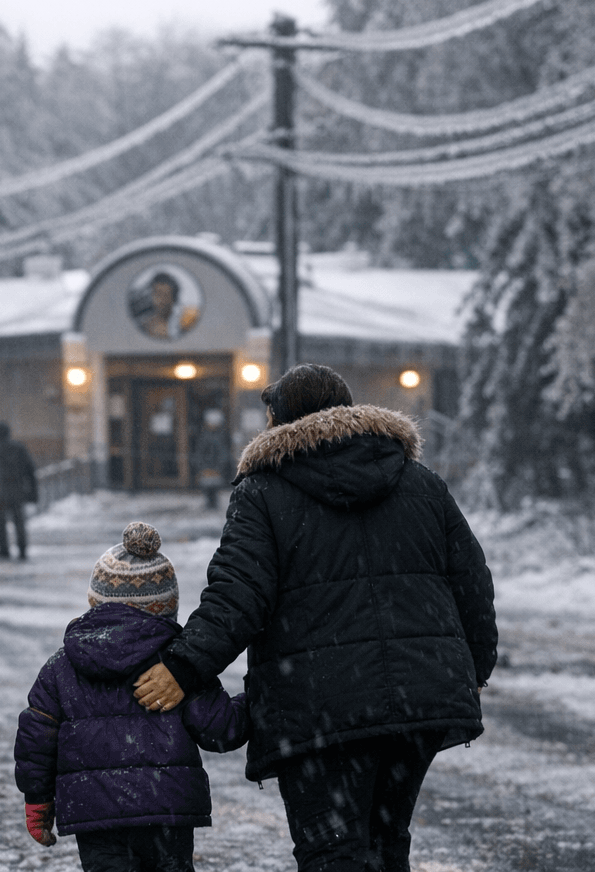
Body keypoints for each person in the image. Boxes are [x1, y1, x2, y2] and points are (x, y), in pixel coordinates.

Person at [131, 364, 497, 872]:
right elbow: (472, 584)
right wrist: (474, 670)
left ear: (281, 421)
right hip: (419, 702)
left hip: (317, 706)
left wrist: (183, 667)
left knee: (333, 854)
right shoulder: (420, 483)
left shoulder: (263, 493)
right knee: (386, 842)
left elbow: (238, 597)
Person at [14, 523, 248, 872]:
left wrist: (37, 801)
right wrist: (257, 695)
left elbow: (37, 738)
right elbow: (221, 729)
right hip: (166, 809)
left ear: (96, 601)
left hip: (94, 814)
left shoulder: (61, 667)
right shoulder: (177, 667)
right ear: (165, 606)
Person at [0, 421, 37, 559]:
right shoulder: (19, 449)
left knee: (0, 523)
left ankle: (3, 550)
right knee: (19, 522)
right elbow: (30, 471)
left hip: (0, 492)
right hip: (17, 491)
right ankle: (22, 550)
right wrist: (32, 493)